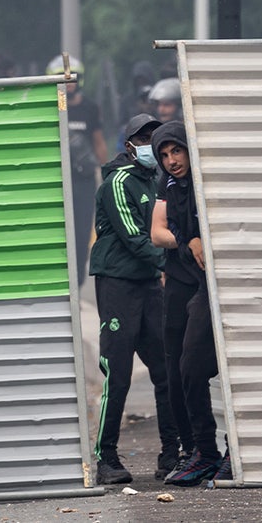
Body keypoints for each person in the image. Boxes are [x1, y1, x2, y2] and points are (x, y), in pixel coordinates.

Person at [89, 114, 180, 484]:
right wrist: (174, 263)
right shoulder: (118, 182)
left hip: (148, 286)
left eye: (154, 139)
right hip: (118, 285)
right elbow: (135, 237)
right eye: (144, 139)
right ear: (130, 146)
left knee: (164, 369)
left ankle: (171, 453)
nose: (151, 145)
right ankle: (106, 457)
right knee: (119, 373)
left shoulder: (157, 181)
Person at [149, 121, 229, 487]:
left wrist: (198, 238)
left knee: (226, 369)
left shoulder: (207, 181)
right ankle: (204, 452)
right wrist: (190, 240)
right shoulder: (173, 188)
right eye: (164, 155)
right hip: (200, 286)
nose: (171, 160)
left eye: (176, 151)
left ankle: (232, 451)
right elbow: (169, 231)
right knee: (189, 367)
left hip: (228, 285)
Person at [49, 55, 107, 286]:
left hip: (83, 182)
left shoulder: (90, 108)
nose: (69, 82)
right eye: (63, 78)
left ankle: (77, 283)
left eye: (73, 78)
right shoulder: (51, 106)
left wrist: (107, 173)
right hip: (57, 179)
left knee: (82, 234)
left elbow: (99, 142)